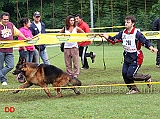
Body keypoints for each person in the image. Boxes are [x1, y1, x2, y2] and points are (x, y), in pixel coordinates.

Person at [99, 15, 158, 94]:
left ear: (133, 23)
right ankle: (133, 89)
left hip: (136, 57)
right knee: (124, 73)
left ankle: (147, 77)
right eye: (125, 22)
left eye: (128, 22)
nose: (126, 24)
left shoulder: (137, 33)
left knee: (130, 74)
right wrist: (105, 36)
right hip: (127, 56)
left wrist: (151, 47)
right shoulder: (123, 33)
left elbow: (145, 41)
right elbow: (114, 40)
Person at [0, 12, 30, 85]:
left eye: (7, 19)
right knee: (0, 66)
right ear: (1, 19)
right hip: (1, 50)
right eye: (4, 19)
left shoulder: (11, 25)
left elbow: (18, 33)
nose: (6, 21)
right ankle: (3, 80)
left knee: (11, 65)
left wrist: (25, 38)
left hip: (10, 50)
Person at [59, 15, 84, 80]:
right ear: (68, 21)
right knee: (68, 63)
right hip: (66, 47)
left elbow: (83, 33)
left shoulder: (76, 28)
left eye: (73, 20)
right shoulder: (65, 28)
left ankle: (76, 75)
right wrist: (63, 39)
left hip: (74, 47)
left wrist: (80, 39)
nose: (72, 22)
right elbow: (59, 34)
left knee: (76, 62)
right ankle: (69, 74)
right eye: (71, 20)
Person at [17, 17, 35, 83]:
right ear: (25, 23)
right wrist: (24, 48)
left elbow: (32, 39)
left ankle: (27, 78)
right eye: (29, 22)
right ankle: (20, 76)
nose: (30, 23)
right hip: (24, 50)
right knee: (24, 64)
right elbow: (20, 40)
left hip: (31, 50)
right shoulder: (21, 30)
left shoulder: (29, 30)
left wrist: (33, 47)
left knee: (29, 64)